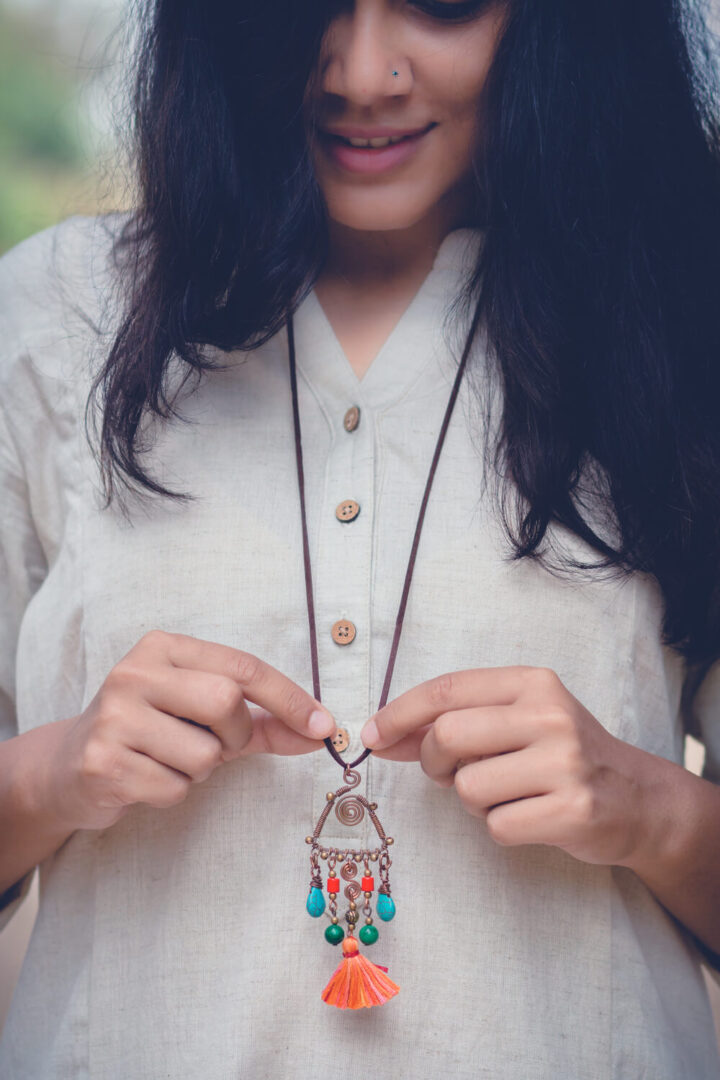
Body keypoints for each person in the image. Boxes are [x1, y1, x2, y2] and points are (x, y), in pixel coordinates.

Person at [1, 0, 720, 1075]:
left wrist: (654, 813)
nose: (364, 73)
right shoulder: (54, 317)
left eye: (441, 7)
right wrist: (54, 773)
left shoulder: (683, 325)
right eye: (309, 8)